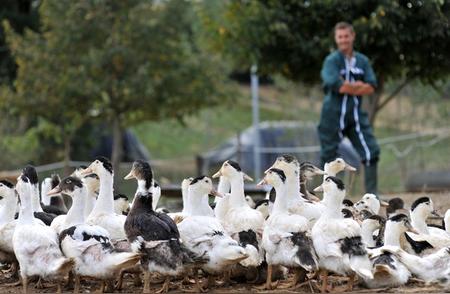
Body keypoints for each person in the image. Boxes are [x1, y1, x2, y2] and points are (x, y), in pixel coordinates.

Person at [318, 22, 380, 194]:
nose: (343, 40)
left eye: (346, 36)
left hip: (356, 116)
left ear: (352, 36)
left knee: (371, 151)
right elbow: (338, 86)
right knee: (328, 158)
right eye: (340, 37)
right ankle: (326, 196)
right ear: (336, 39)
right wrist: (358, 85)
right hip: (332, 115)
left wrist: (350, 85)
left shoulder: (363, 61)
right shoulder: (331, 61)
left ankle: (372, 196)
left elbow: (371, 87)